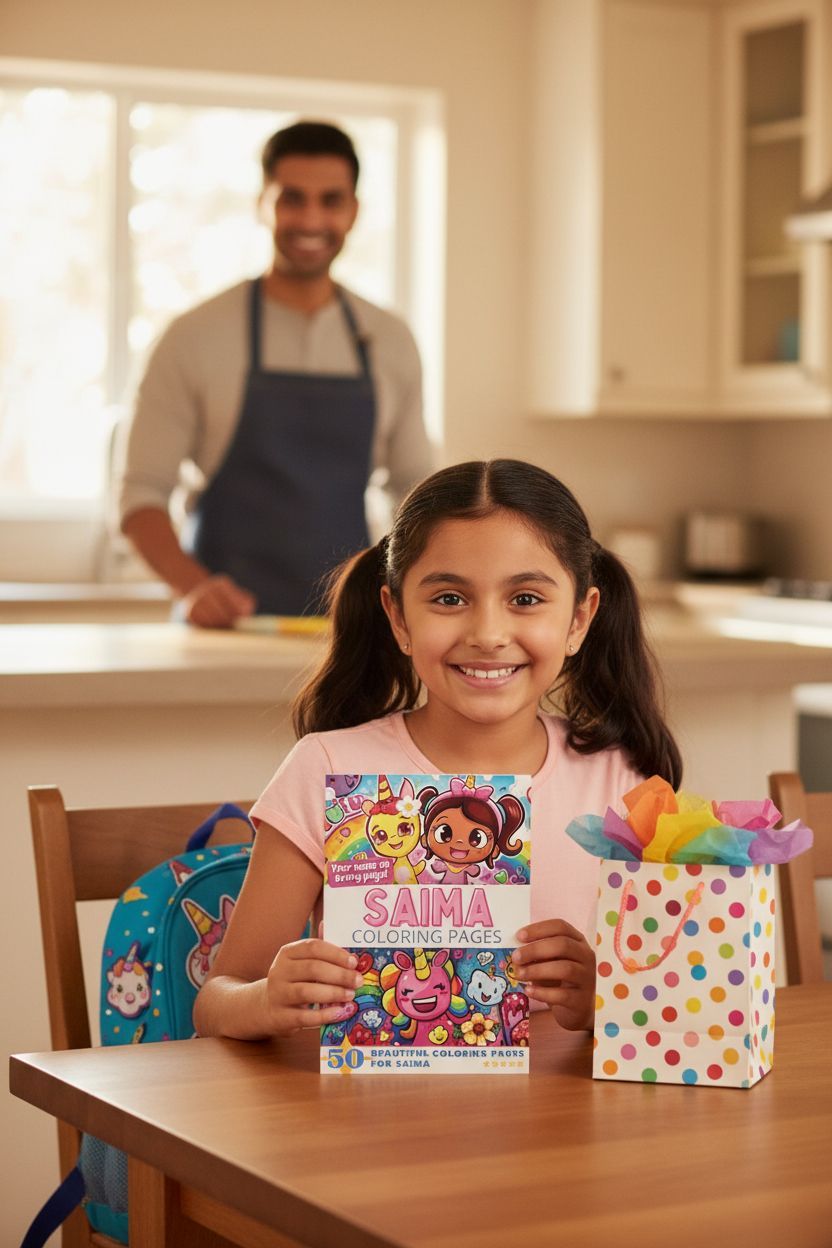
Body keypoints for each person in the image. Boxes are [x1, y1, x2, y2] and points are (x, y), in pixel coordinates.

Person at [192, 458, 682, 1040]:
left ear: (580, 620)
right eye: (450, 599)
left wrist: (602, 999)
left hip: (560, 1123)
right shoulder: (326, 769)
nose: (488, 634)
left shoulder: (626, 787)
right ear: (398, 617)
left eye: (526, 599)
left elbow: (672, 1010)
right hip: (366, 1119)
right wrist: (270, 998)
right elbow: (216, 1004)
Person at [118, 120, 432, 627]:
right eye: (292, 198)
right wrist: (194, 587)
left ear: (353, 211)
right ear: (263, 204)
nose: (312, 218)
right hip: (223, 632)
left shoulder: (391, 341)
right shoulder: (194, 336)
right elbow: (139, 495)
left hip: (348, 634)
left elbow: (418, 491)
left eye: (331, 200)